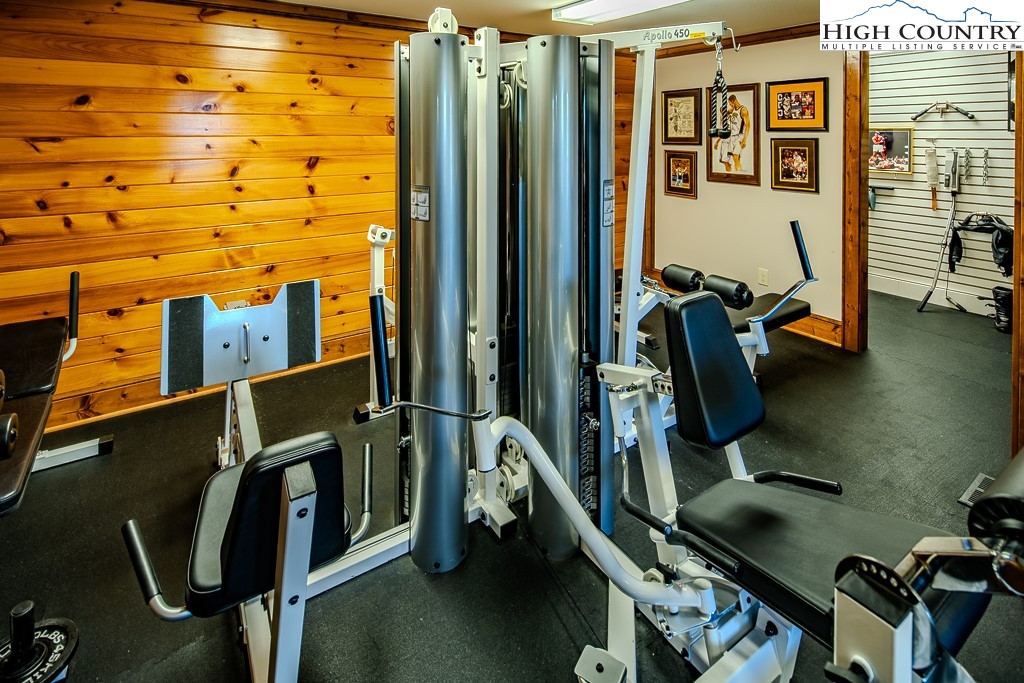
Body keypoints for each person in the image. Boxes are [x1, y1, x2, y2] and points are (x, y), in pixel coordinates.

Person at [713, 94, 751, 172]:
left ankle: (741, 174)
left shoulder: (743, 110)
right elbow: (723, 113)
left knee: (735, 156)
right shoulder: (732, 109)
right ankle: (736, 173)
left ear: (733, 101)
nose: (729, 104)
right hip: (731, 136)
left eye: (729, 102)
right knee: (732, 159)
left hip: (739, 136)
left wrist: (745, 140)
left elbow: (748, 126)